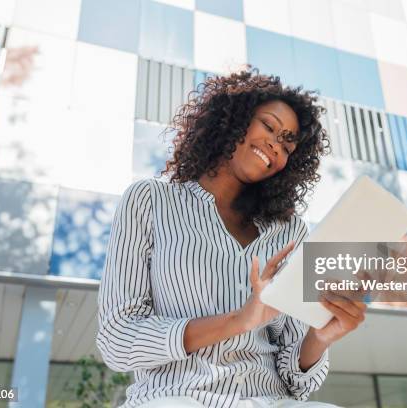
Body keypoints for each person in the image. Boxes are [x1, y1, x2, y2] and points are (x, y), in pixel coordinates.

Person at [96, 69, 367, 408]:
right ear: (232, 121)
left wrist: (320, 337)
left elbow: (295, 378)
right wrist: (239, 321)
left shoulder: (291, 233)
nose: (275, 144)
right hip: (176, 398)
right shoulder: (149, 200)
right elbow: (118, 340)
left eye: (287, 143)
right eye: (268, 126)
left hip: (269, 401)